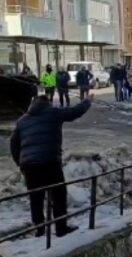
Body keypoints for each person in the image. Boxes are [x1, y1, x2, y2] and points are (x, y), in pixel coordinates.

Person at [10, 94, 94, 237]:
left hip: (30, 166)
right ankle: (60, 228)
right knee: (58, 194)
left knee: (36, 197)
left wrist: (22, 164)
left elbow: (13, 144)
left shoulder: (22, 120)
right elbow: (75, 112)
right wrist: (87, 101)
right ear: (47, 103)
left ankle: (40, 228)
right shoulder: (53, 113)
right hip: (50, 162)